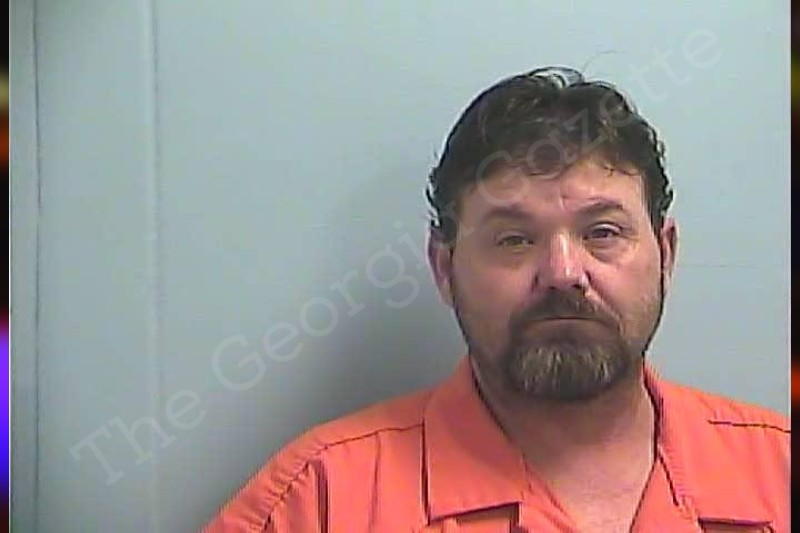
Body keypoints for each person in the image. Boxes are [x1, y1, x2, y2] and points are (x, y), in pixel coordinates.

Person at [205, 67, 789, 532]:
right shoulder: (321, 500)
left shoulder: (780, 473)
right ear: (444, 268)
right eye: (514, 240)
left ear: (665, 254)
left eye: (602, 232)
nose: (563, 273)